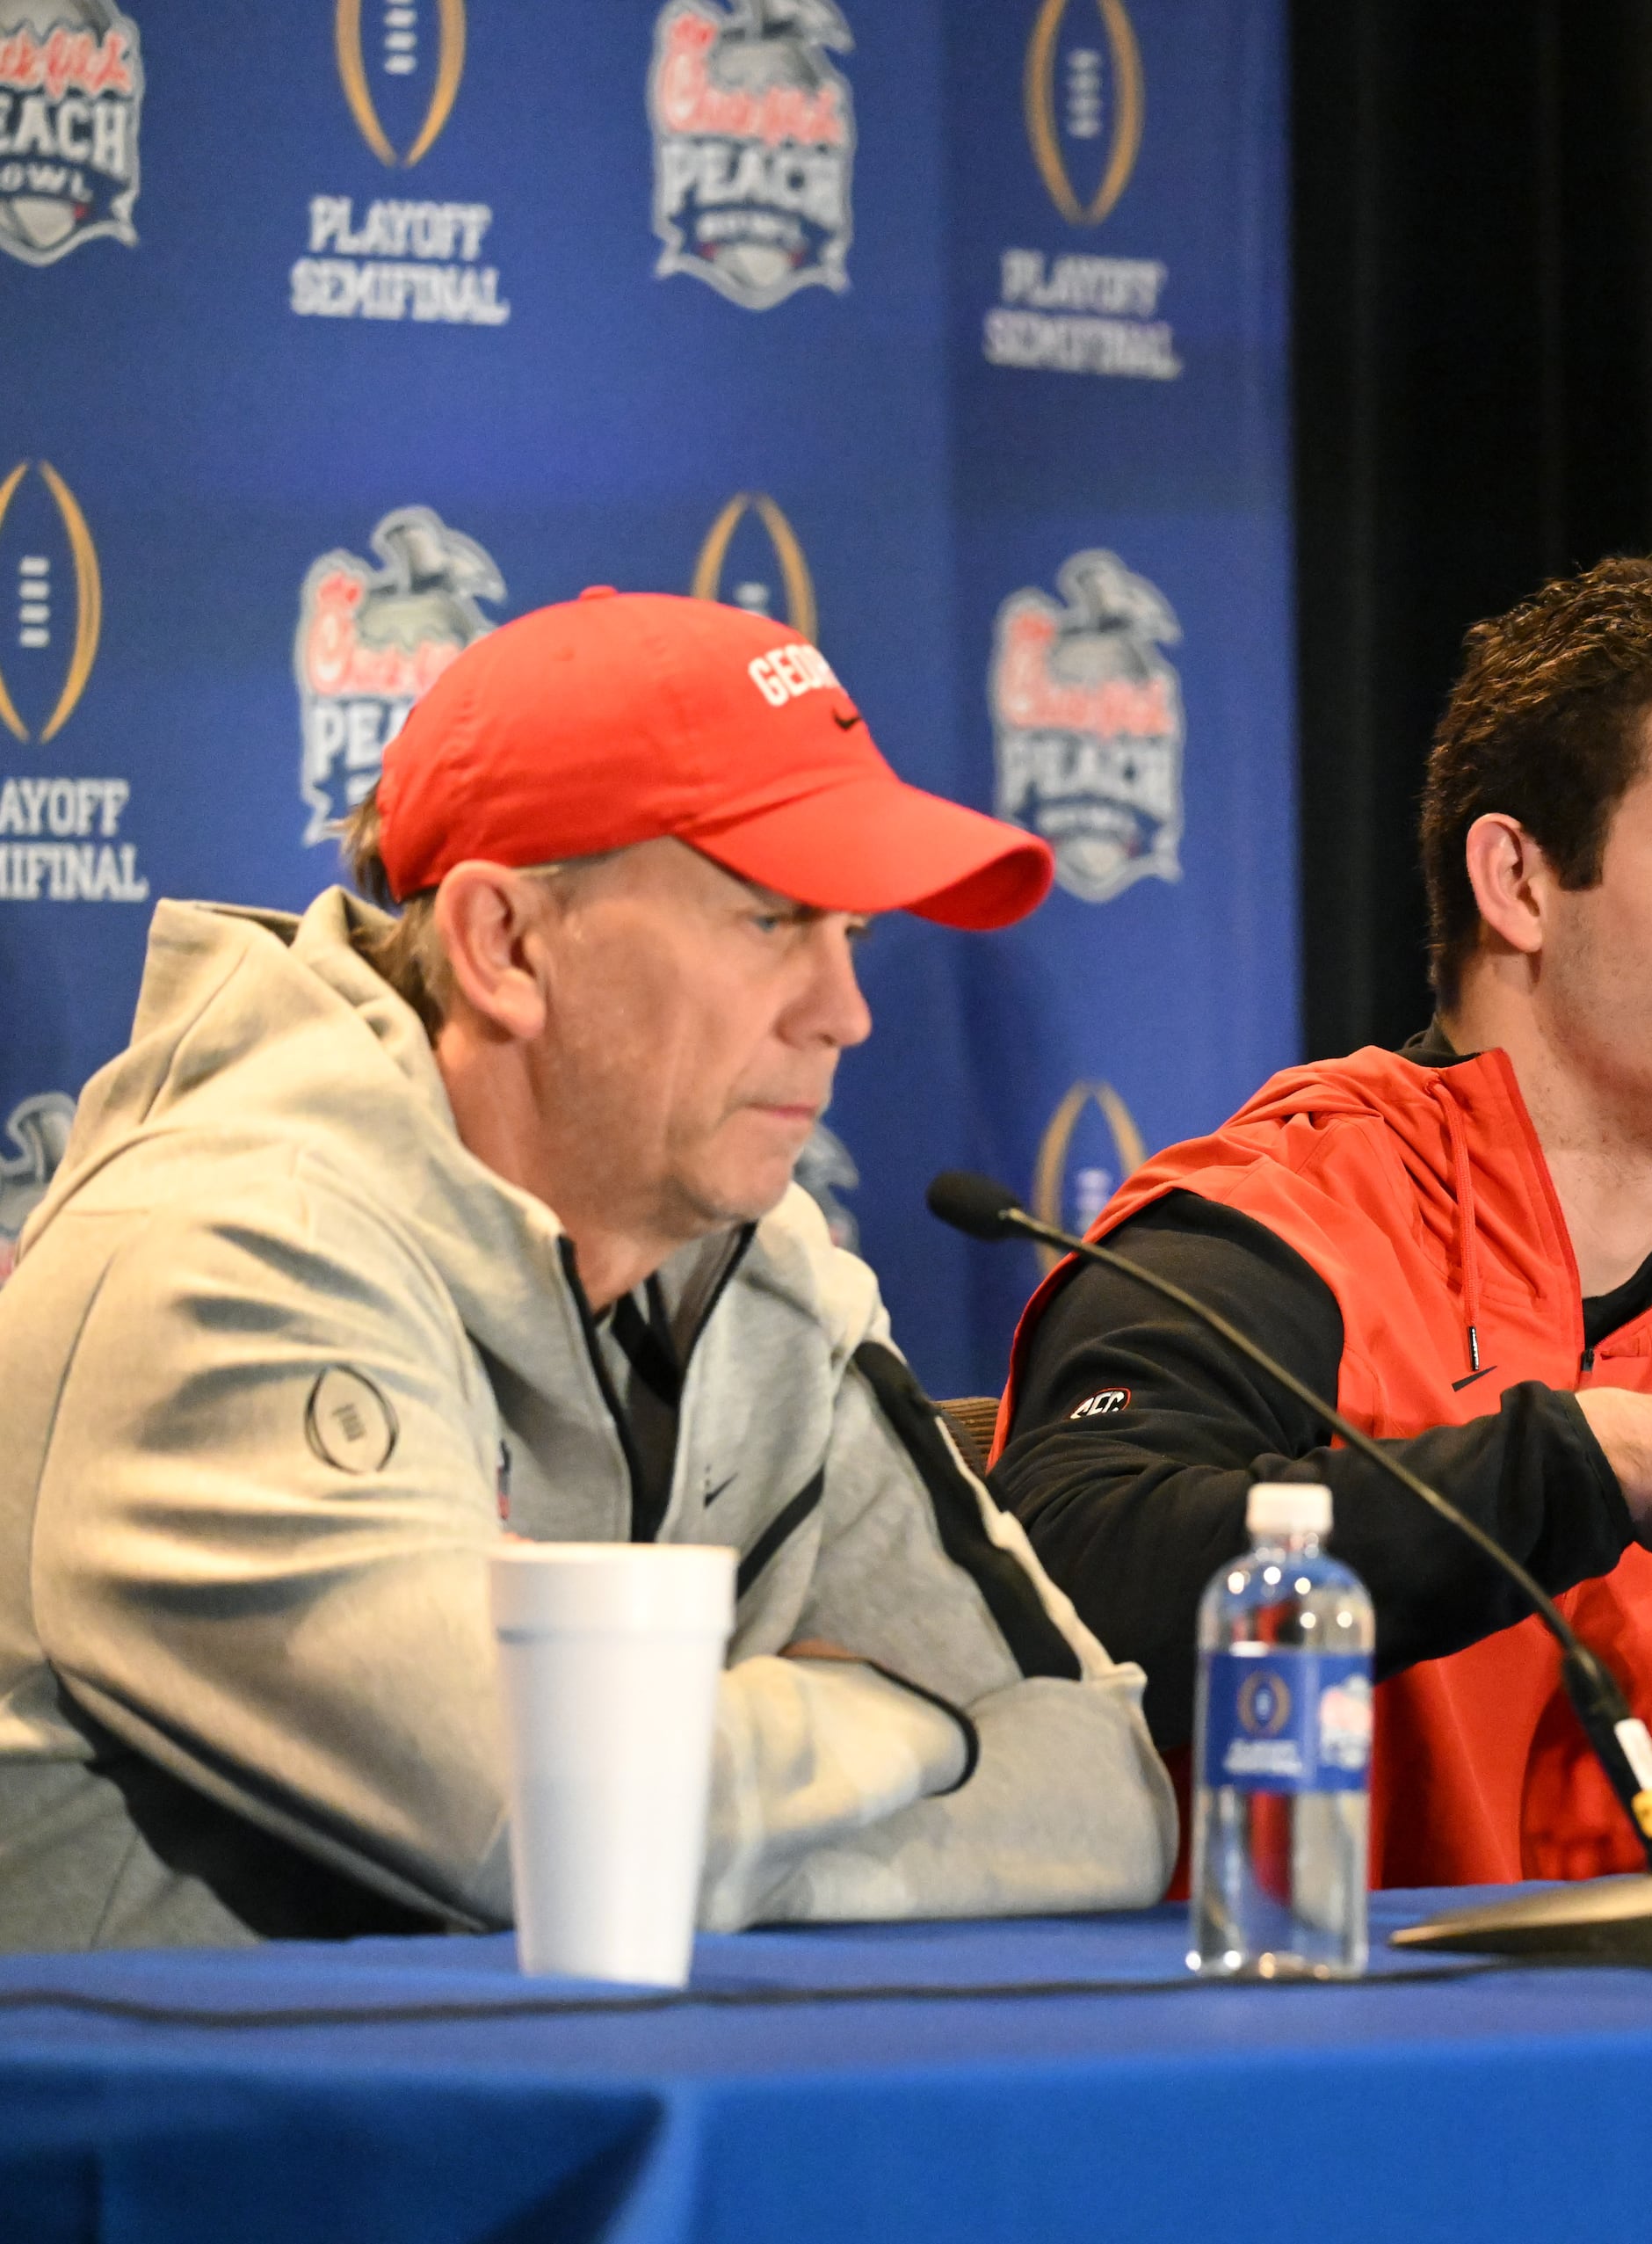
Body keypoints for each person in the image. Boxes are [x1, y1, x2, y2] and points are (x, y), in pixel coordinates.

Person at [0, 589, 1176, 1950]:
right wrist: (911, 1720)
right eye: (770, 920)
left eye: (851, 934)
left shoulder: (761, 1275)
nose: (845, 1012)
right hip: (150, 2149)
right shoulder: (218, 1262)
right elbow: (545, 1827)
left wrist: (717, 1846)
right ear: (508, 945)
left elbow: (1108, 1790)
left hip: (520, 2127)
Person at [992, 557, 1652, 1885]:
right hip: (1270, 2060)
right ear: (1518, 881)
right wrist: (1611, 1463)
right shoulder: (1265, 1229)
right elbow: (1057, 1587)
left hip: (1638, 2077)